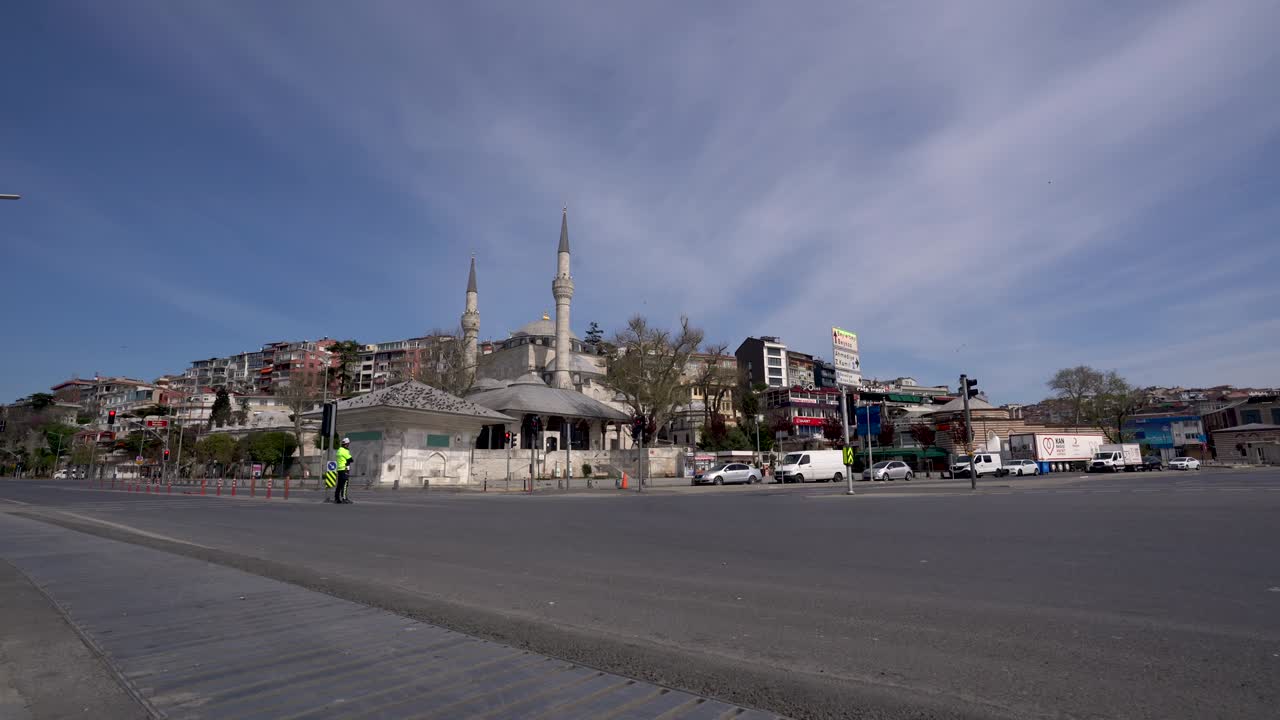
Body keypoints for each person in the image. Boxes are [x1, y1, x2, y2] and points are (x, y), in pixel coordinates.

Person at [335, 437, 354, 504]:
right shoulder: (344, 451)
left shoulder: (339, 450)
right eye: (348, 444)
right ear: (346, 444)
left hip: (339, 469)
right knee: (345, 484)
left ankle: (337, 499)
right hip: (344, 469)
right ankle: (344, 498)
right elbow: (351, 459)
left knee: (339, 485)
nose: (348, 445)